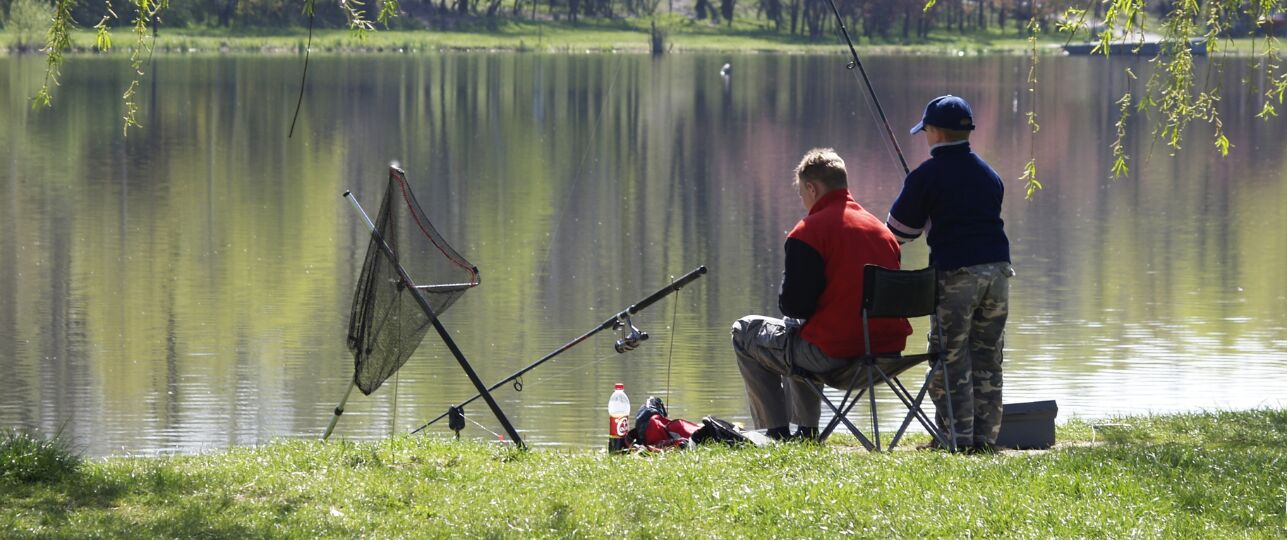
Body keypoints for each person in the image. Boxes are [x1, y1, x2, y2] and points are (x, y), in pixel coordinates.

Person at [732, 148, 912, 441]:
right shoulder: (883, 232)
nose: (802, 199)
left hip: (836, 357)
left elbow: (794, 305)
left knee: (745, 331)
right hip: (887, 355)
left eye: (802, 191)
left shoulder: (809, 232)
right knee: (797, 333)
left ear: (812, 187)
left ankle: (773, 433)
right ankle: (805, 431)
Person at [885, 95, 1014, 453]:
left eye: (925, 130)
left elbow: (898, 232)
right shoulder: (990, 175)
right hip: (1000, 273)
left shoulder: (926, 176)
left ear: (935, 132)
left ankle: (955, 440)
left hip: (957, 274)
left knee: (949, 357)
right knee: (988, 357)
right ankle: (984, 440)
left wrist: (920, 206)